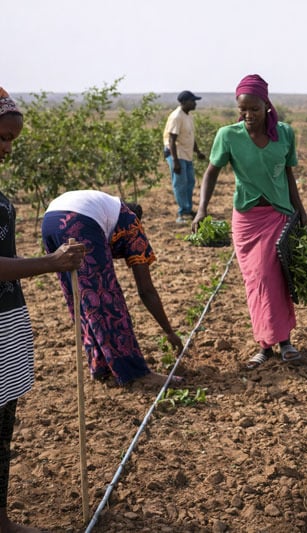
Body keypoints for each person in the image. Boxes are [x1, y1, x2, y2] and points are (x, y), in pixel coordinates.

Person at [0, 87, 86, 533]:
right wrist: (51, 263)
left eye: (12, 139)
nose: (7, 149)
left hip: (7, 316)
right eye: (2, 137)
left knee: (3, 420)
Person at [192, 74, 307, 369]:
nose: (247, 116)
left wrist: (302, 212)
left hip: (279, 213)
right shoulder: (228, 135)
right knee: (257, 280)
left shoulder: (284, 133)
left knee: (277, 278)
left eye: (254, 109)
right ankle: (265, 344)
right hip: (247, 219)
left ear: (266, 106)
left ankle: (284, 342)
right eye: (242, 109)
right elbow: (211, 172)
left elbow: (288, 176)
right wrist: (201, 208)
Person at [41, 190, 184, 387]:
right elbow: (146, 290)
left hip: (50, 221)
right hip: (78, 222)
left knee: (80, 297)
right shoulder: (132, 224)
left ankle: (101, 366)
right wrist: (169, 331)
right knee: (107, 300)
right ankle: (135, 373)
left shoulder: (109, 211)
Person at [163, 90, 207, 224]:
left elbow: (190, 137)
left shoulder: (188, 116)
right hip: (177, 155)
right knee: (180, 184)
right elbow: (172, 140)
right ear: (184, 102)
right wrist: (175, 161)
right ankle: (182, 213)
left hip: (186, 155)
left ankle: (188, 210)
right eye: (192, 101)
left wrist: (198, 152)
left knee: (190, 182)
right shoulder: (177, 116)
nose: (195, 103)